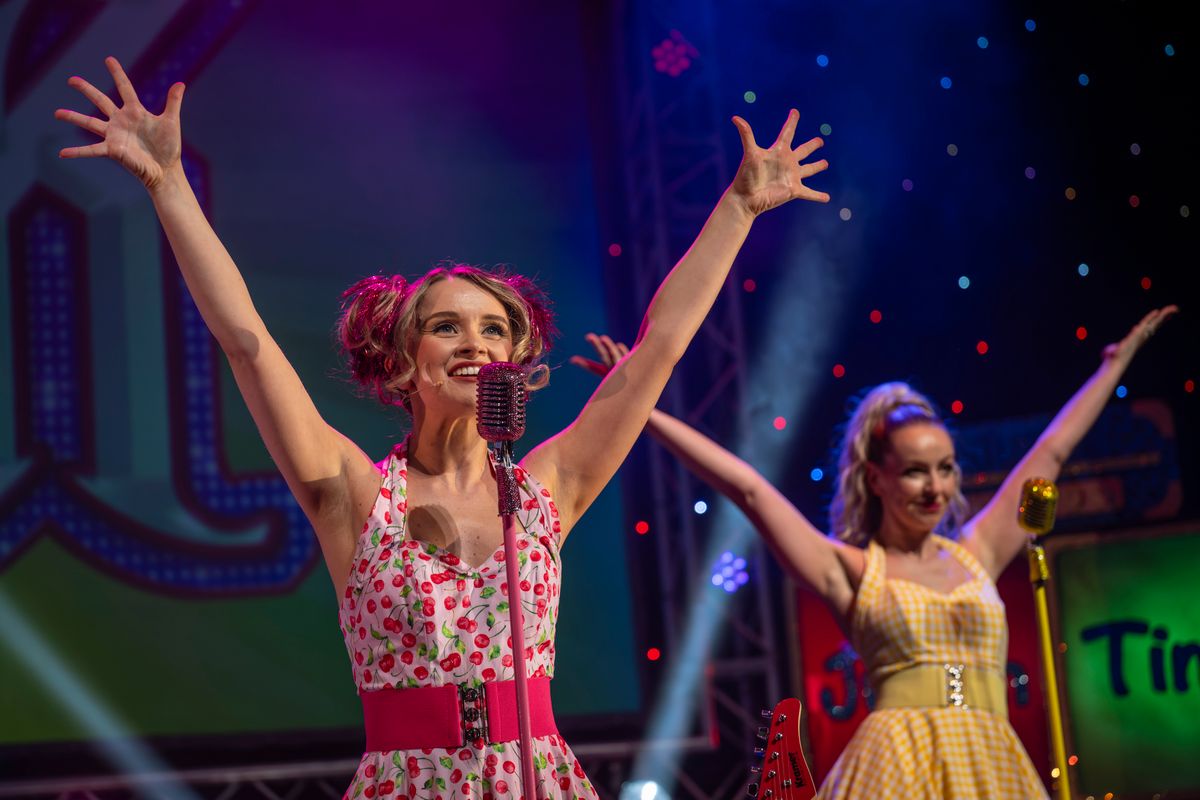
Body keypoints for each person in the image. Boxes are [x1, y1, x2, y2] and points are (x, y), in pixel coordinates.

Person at [55, 57, 830, 799]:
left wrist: (737, 209)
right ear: (402, 363)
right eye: (449, 328)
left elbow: (657, 349)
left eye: (494, 329)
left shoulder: (545, 491)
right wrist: (169, 188)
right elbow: (248, 342)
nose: (476, 344)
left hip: (538, 779)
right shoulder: (355, 495)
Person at [572, 304, 1177, 799]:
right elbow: (750, 489)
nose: (936, 487)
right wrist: (642, 411)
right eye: (915, 472)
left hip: (993, 760)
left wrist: (1110, 370)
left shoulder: (977, 552)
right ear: (876, 478)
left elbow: (1048, 457)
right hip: (899, 764)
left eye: (945, 468)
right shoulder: (852, 570)